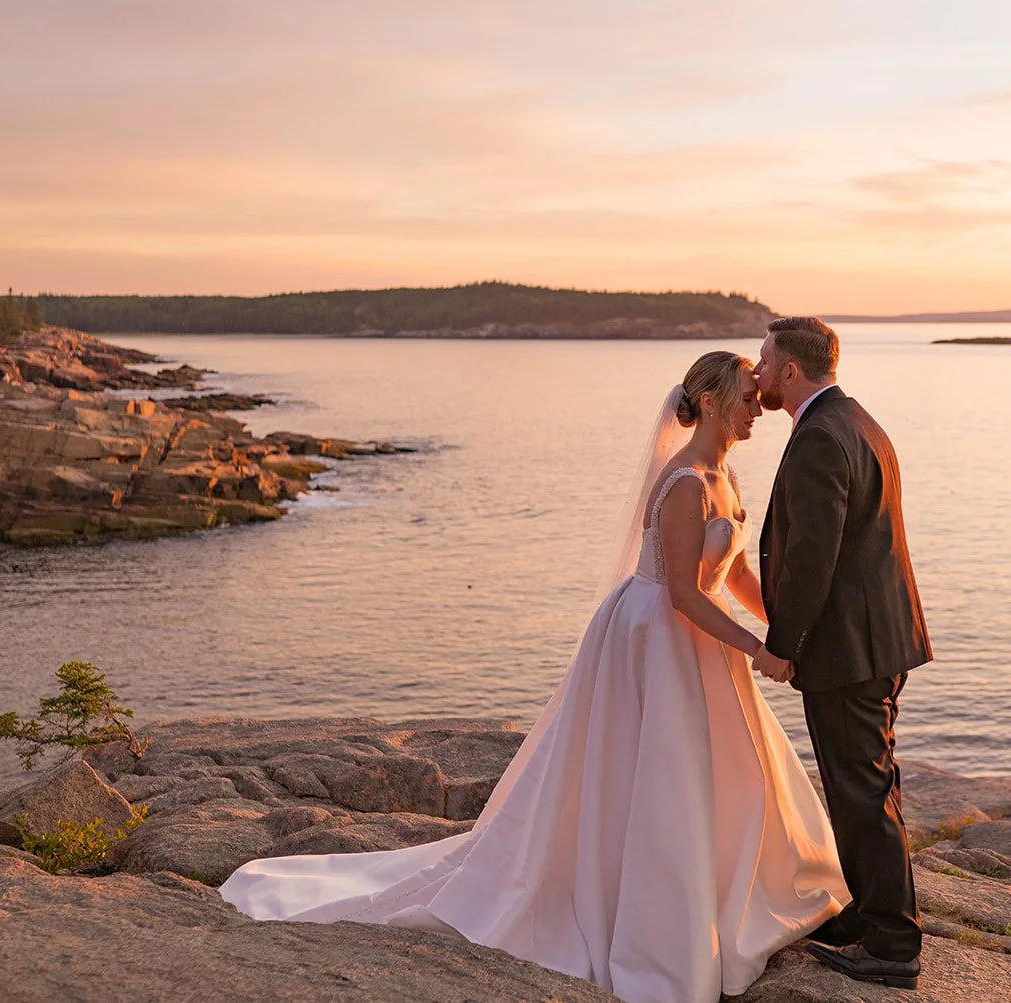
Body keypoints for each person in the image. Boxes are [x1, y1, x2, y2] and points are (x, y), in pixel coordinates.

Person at [220, 351, 849, 1003]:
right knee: (660, 776)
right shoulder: (687, 480)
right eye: (748, 397)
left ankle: (727, 895)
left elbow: (735, 575)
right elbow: (685, 596)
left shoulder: (728, 476)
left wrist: (788, 629)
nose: (758, 408)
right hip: (656, 638)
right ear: (713, 403)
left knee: (725, 770)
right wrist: (757, 650)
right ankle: (652, 921)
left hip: (694, 642)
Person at [754, 316, 933, 990]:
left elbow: (811, 559)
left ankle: (892, 944)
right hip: (875, 640)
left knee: (861, 791)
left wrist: (781, 646)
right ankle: (867, 911)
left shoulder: (821, 437)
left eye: (766, 362)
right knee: (862, 785)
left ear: (791, 370)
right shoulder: (858, 421)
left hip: (850, 650)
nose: (759, 373)